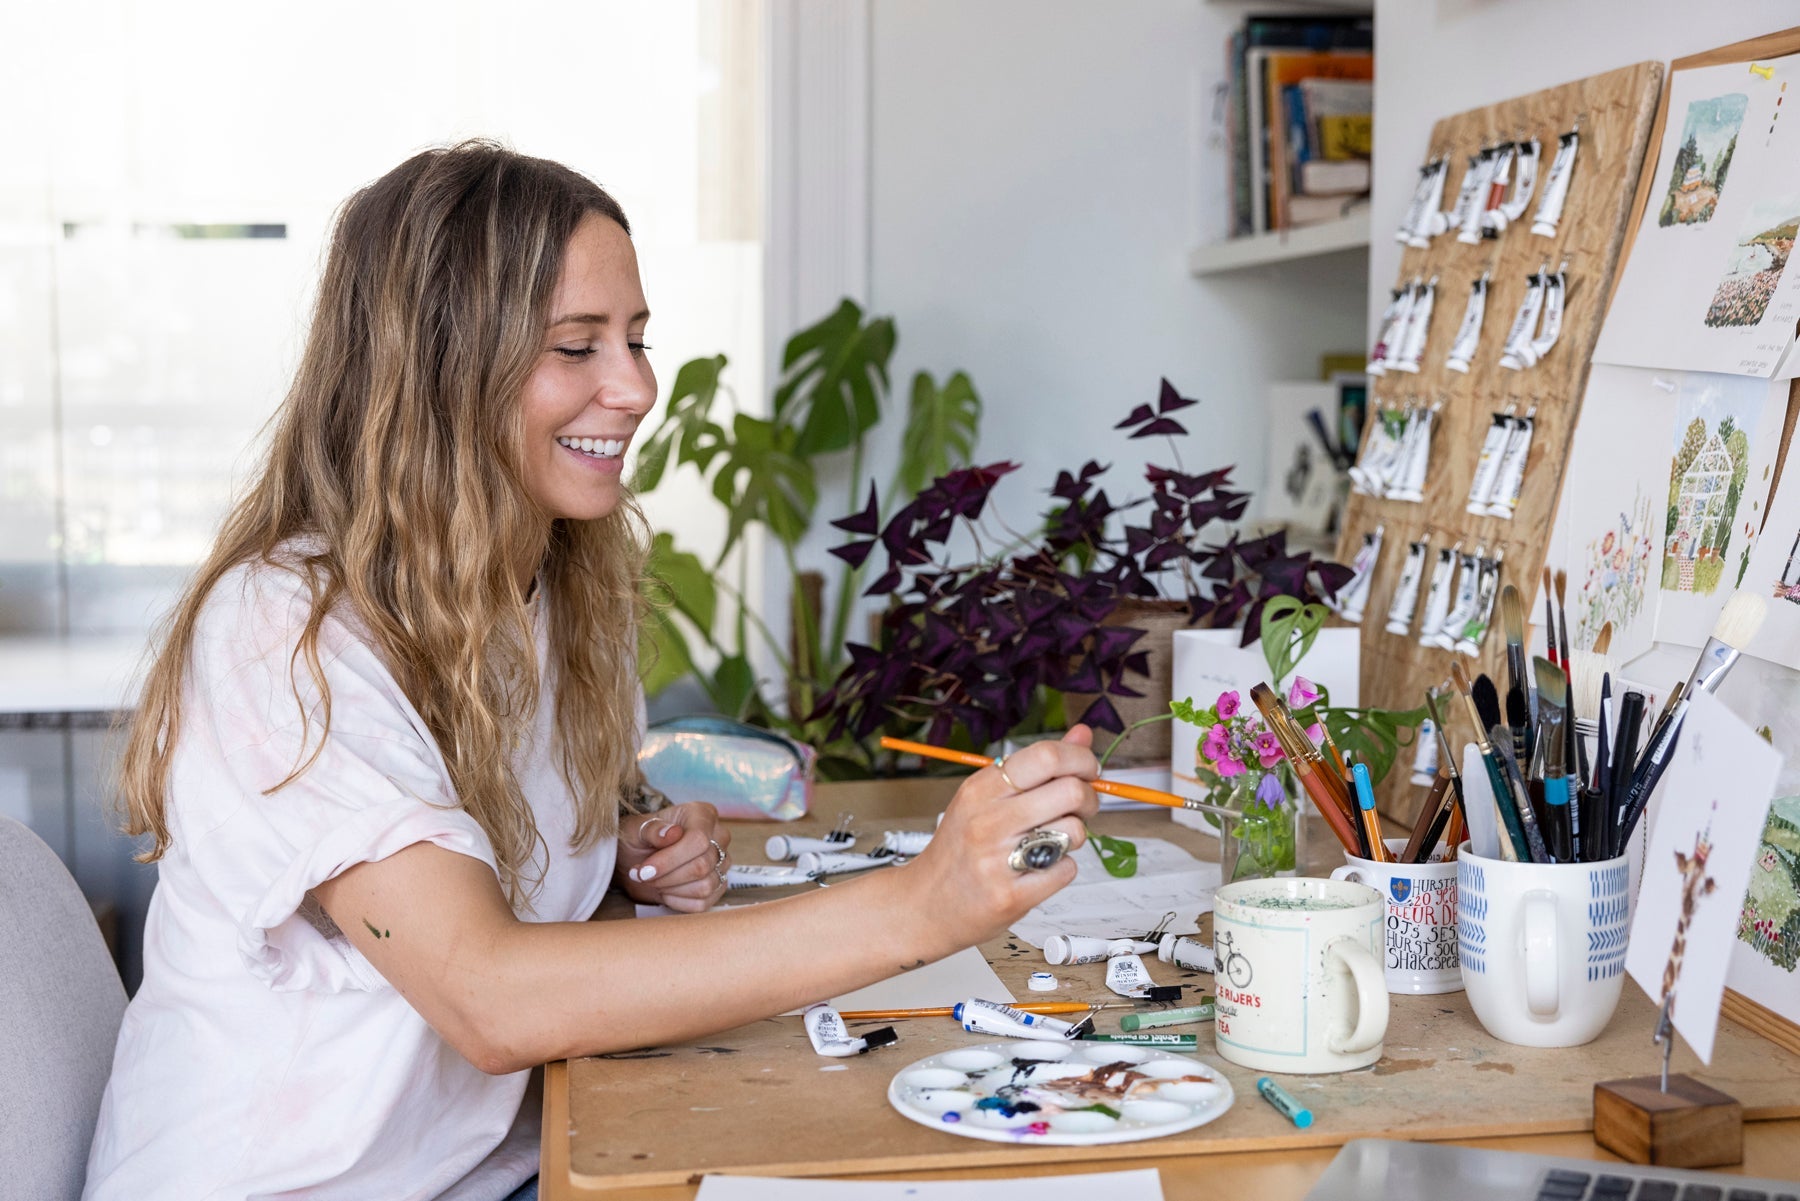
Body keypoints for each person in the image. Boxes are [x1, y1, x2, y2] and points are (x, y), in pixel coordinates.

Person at [82, 141, 1099, 1201]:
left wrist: (618, 857)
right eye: (578, 345)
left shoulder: (556, 580)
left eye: (637, 339)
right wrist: (918, 906)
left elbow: (472, 857)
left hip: (513, 1156)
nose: (637, 386)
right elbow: (488, 998)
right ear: (438, 373)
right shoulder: (286, 631)